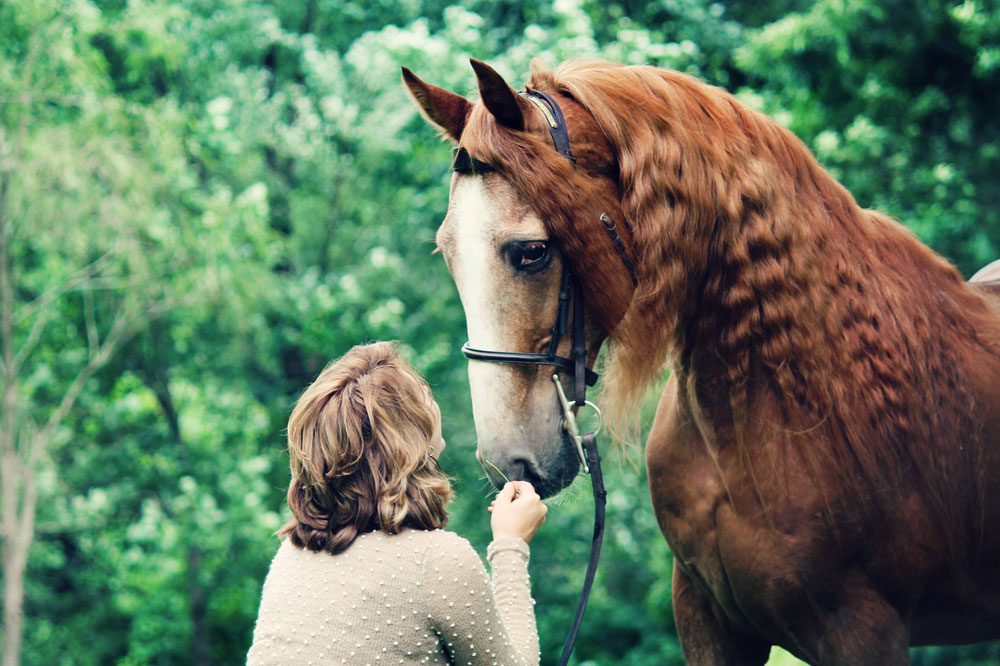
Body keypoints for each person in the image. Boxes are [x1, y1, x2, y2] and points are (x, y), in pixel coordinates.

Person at [247, 341, 548, 666]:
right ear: (406, 440)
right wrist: (510, 545)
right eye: (420, 394)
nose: (431, 400)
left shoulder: (291, 557)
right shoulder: (439, 564)